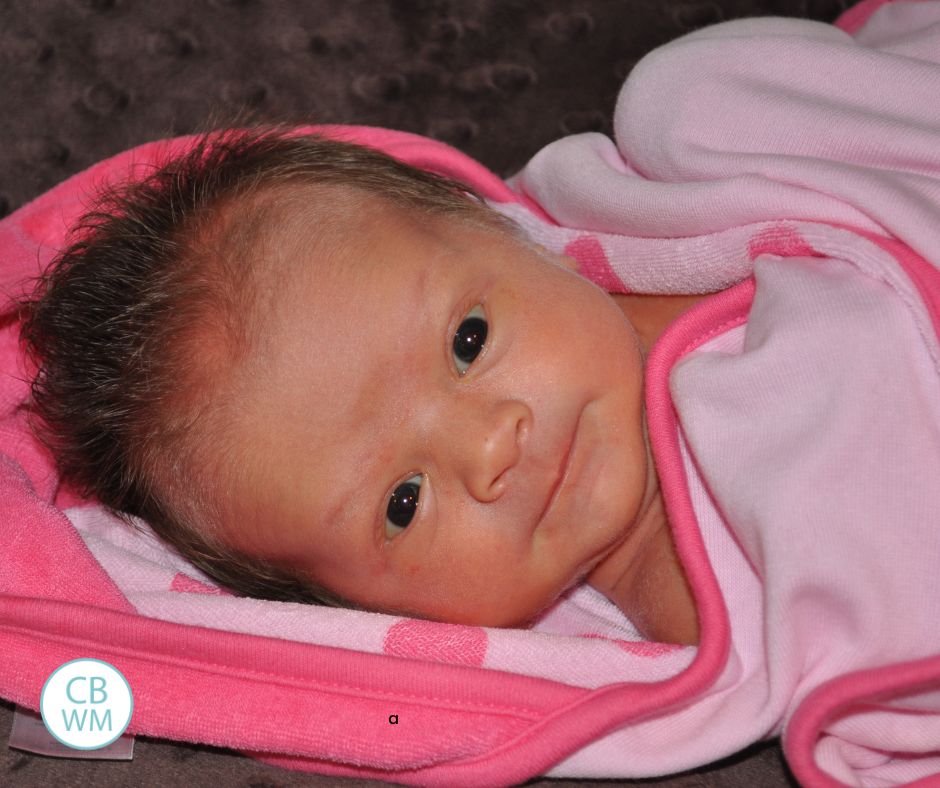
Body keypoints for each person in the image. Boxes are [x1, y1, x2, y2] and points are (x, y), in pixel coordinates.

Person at [17, 128, 703, 645]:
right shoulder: (711, 596)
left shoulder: (696, 196)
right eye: (403, 504)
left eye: (470, 341)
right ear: (363, 612)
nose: (490, 447)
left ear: (497, 227)